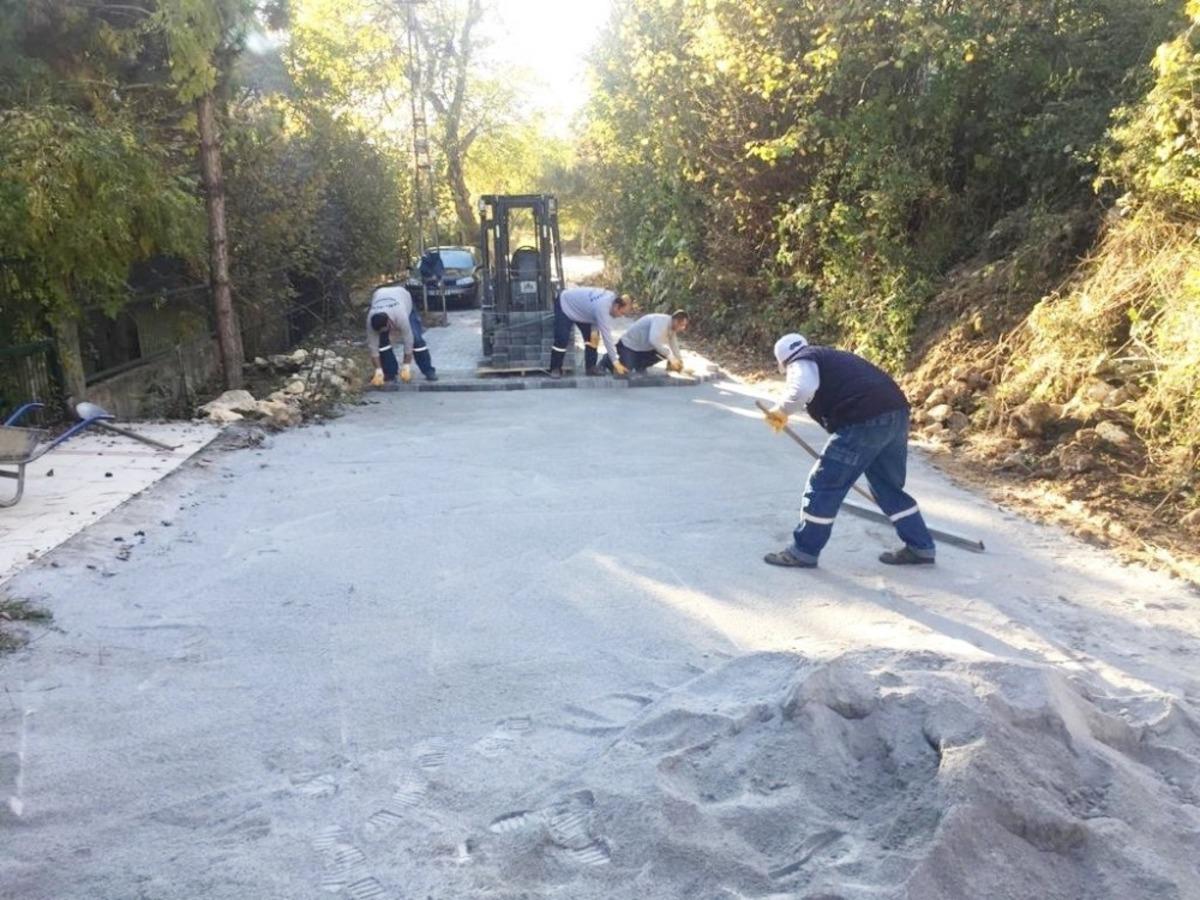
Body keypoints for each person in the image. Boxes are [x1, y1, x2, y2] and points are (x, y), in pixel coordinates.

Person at [762, 333, 936, 568]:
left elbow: (802, 388)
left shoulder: (802, 360)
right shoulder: (832, 358)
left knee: (824, 484)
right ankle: (921, 547)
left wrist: (781, 411)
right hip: (896, 415)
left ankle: (803, 551)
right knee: (887, 487)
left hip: (863, 420)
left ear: (783, 362)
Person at [549, 287, 630, 378]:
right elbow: (607, 337)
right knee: (562, 338)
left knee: (593, 337)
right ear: (616, 307)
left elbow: (595, 320)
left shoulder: (612, 299)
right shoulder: (603, 308)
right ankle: (555, 368)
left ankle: (590, 367)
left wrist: (593, 332)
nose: (621, 316)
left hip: (584, 311)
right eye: (622, 313)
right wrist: (616, 362)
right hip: (565, 304)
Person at [366, 284, 437, 385]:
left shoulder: (401, 315)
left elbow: (409, 340)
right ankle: (389, 373)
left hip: (403, 299)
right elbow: (373, 348)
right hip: (380, 294)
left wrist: (406, 366)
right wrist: (378, 370)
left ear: (389, 322)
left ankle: (428, 370)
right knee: (382, 344)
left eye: (386, 329)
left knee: (417, 340)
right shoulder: (370, 321)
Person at [600, 309, 690, 374]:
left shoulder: (672, 328)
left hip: (643, 349)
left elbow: (673, 345)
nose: (683, 328)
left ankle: (640, 366)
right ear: (675, 321)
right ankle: (607, 360)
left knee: (663, 354)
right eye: (682, 325)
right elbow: (654, 340)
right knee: (626, 370)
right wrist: (671, 357)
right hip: (628, 345)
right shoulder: (661, 321)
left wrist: (679, 361)